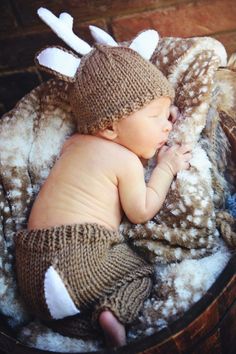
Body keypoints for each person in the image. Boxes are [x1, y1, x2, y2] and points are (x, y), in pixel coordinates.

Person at [15, 44, 192, 347]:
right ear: (110, 127)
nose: (167, 125)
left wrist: (158, 114)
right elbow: (141, 210)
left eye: (168, 115)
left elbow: (137, 128)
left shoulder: (73, 144)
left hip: (31, 270)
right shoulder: (125, 161)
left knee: (69, 300)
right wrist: (166, 166)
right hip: (81, 257)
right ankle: (111, 315)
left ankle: (78, 319)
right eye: (156, 117)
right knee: (140, 270)